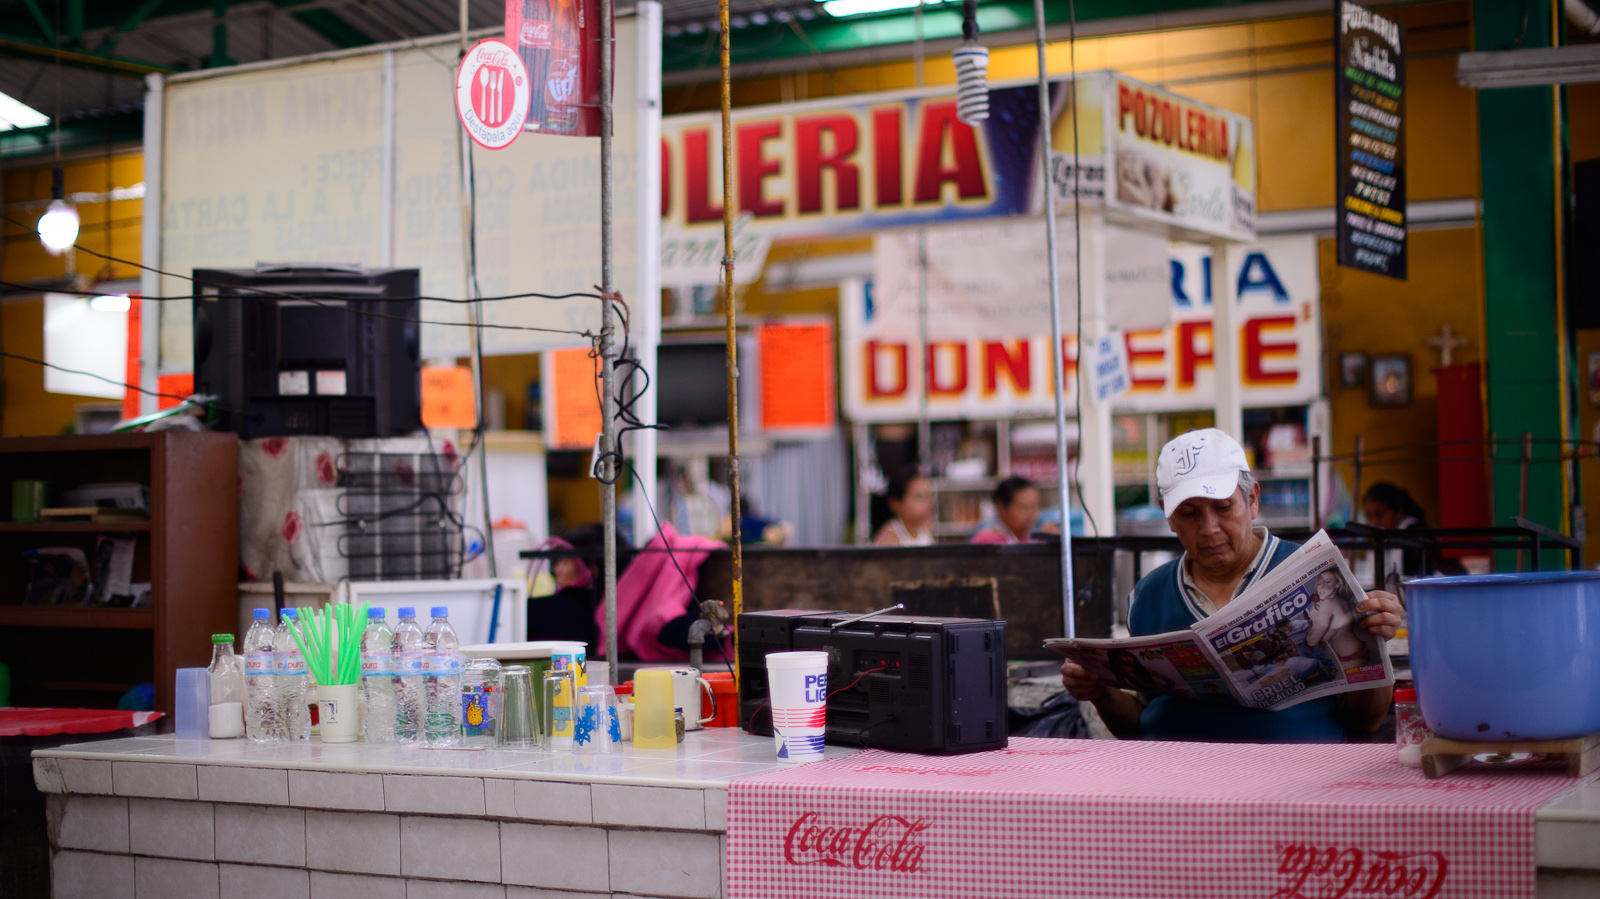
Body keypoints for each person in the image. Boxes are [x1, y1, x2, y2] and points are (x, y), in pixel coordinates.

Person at [1060, 428, 1403, 742]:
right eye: (1189, 514)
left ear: (1252, 500)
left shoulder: (1314, 574)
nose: (1209, 528)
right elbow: (1138, 724)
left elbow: (1366, 722)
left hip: (1297, 777)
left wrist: (1374, 641)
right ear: (1168, 514)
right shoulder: (1148, 596)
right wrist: (1099, 691)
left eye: (1223, 507)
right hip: (1174, 782)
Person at [1362, 481, 1429, 590]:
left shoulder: (1416, 535)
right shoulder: (1376, 540)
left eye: (1380, 515)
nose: (1373, 522)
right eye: (1369, 516)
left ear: (1398, 512)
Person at [1306, 569, 1373, 669]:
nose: (1322, 586)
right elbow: (1332, 631)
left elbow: (1313, 640)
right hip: (1357, 649)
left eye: (1328, 581)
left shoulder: (1327, 603)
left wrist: (1315, 619)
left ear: (1337, 584)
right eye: (1319, 583)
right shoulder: (1341, 601)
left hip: (1349, 656)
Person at [971, 476, 1062, 544]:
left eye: (1035, 507)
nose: (1031, 514)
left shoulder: (1032, 538)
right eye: (1024, 508)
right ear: (1001, 507)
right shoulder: (987, 541)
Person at [872, 471, 935, 546]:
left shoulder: (925, 527)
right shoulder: (889, 539)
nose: (928, 502)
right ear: (896, 504)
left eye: (929, 495)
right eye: (919, 497)